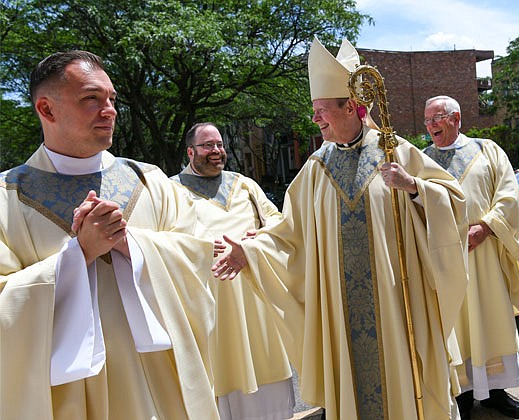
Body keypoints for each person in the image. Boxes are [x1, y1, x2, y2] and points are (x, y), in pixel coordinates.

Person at [211, 37, 469, 420]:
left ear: (350, 107)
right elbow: (289, 233)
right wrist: (250, 250)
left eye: (321, 110)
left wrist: (415, 187)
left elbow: (455, 202)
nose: (314, 119)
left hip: (398, 306)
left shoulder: (395, 151)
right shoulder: (315, 169)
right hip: (342, 314)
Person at [0, 50, 219, 419]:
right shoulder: (8, 197)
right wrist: (78, 255)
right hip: (68, 399)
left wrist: (128, 243)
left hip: (159, 390)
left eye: (112, 100)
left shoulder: (150, 183)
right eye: (91, 99)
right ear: (46, 110)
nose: (110, 111)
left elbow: (198, 261)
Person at [171, 122, 295, 419]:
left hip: (255, 300)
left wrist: (259, 240)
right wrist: (199, 248)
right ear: (190, 152)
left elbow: (277, 222)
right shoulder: (171, 190)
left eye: (219, 145)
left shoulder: (245, 185)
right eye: (207, 146)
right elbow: (166, 239)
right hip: (211, 307)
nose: (216, 151)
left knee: (268, 377)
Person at [422, 95, 519, 419]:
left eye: (437, 118)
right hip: (443, 261)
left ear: (456, 117)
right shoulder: (422, 159)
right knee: (456, 327)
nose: (430, 125)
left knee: (490, 320)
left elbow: (509, 195)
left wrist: (485, 226)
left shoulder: (487, 150)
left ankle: (496, 391)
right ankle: (463, 395)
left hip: (484, 255)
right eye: (427, 120)